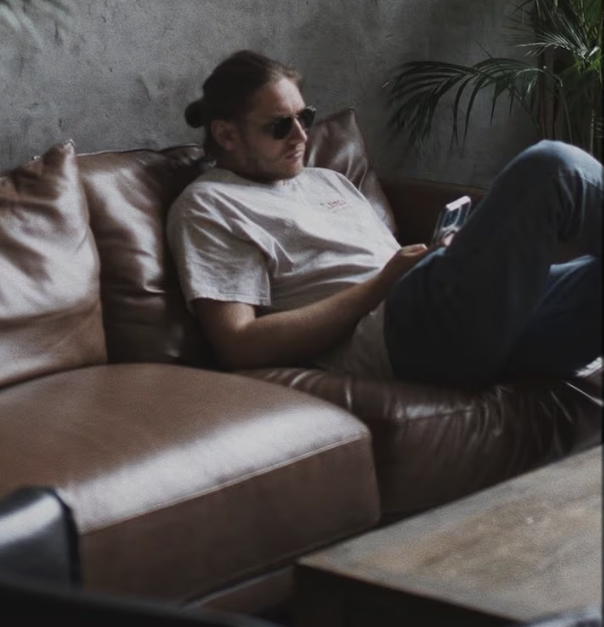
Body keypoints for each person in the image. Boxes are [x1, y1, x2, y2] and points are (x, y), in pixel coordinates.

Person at [166, 50, 602, 387]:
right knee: (553, 166)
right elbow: (238, 345)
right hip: (401, 335)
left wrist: (443, 259)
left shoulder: (326, 181)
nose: (302, 136)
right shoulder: (209, 205)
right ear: (226, 134)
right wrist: (382, 284)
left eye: (306, 118)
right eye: (280, 126)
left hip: (450, 313)